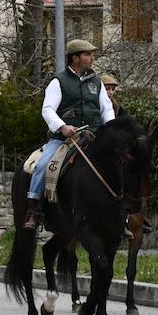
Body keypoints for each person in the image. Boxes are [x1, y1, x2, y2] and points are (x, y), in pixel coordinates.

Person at [24, 39, 115, 230]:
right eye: (88, 54)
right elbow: (47, 109)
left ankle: (121, 215)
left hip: (94, 136)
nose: (92, 58)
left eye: (91, 54)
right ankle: (33, 210)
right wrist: (62, 127)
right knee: (43, 164)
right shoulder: (59, 82)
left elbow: (106, 109)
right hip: (65, 138)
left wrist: (112, 130)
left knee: (120, 164)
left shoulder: (96, 82)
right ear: (75, 58)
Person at [100, 73, 153, 236]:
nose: (110, 92)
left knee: (134, 172)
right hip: (98, 145)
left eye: (112, 89)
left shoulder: (118, 108)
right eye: (107, 89)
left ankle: (136, 216)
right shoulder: (95, 105)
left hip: (117, 149)